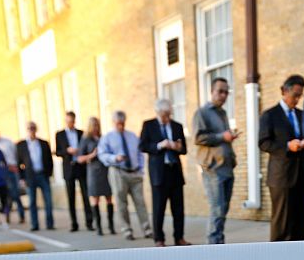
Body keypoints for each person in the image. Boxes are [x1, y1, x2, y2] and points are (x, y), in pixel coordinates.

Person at [259, 74, 304, 241]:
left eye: (300, 95)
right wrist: (287, 146)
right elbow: (263, 143)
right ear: (283, 91)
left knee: (300, 222)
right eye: (295, 95)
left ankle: (298, 259)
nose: (297, 99)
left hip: (301, 176)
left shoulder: (303, 115)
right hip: (281, 177)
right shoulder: (270, 115)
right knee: (282, 223)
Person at [193, 77, 239, 244]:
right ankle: (213, 247)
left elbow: (221, 139)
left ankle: (219, 243)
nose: (223, 95)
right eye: (220, 91)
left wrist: (229, 137)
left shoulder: (223, 113)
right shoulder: (202, 112)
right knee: (217, 209)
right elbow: (198, 137)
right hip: (213, 169)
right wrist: (222, 136)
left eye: (226, 92)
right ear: (212, 91)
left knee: (223, 210)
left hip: (227, 167)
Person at [140, 99, 190, 247]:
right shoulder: (148, 125)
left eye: (168, 114)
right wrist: (160, 145)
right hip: (159, 174)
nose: (166, 118)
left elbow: (184, 149)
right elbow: (142, 146)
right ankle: (159, 239)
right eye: (163, 115)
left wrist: (176, 146)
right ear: (157, 113)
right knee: (159, 208)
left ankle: (179, 237)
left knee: (178, 208)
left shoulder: (177, 126)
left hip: (174, 172)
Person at [99, 110, 152, 240]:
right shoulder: (107, 138)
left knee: (140, 202)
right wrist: (114, 158)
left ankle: (147, 229)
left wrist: (140, 168)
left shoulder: (132, 136)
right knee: (121, 203)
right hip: (118, 172)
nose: (121, 126)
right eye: (118, 123)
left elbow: (140, 153)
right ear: (113, 123)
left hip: (134, 173)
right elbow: (102, 154)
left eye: (122, 123)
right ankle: (127, 230)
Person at [55, 111, 93, 232]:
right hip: (69, 168)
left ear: (74, 121)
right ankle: (74, 223)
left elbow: (87, 149)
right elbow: (58, 151)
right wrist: (67, 151)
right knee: (71, 197)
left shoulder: (81, 133)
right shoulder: (59, 134)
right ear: (65, 121)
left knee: (86, 196)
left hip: (81, 167)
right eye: (68, 121)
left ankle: (89, 222)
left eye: (71, 121)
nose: (70, 123)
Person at [76, 117, 114, 236]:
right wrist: (92, 155)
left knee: (109, 197)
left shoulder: (103, 138)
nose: (96, 127)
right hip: (93, 171)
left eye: (97, 125)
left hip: (105, 170)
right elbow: (80, 158)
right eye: (94, 125)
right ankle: (99, 227)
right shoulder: (85, 139)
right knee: (95, 199)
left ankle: (111, 226)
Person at [16, 122, 56, 231]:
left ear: (36, 129)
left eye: (33, 128)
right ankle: (35, 224)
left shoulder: (43, 143)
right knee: (32, 201)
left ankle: (50, 223)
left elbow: (49, 160)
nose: (31, 130)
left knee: (48, 200)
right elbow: (18, 163)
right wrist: (22, 178)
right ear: (27, 130)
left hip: (43, 175)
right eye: (29, 128)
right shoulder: (21, 145)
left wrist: (49, 173)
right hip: (30, 176)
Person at [0, 126, 25, 224]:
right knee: (8, 195)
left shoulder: (7, 142)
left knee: (16, 194)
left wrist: (16, 166)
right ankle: (6, 215)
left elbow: (16, 155)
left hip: (14, 170)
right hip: (3, 172)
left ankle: (21, 215)